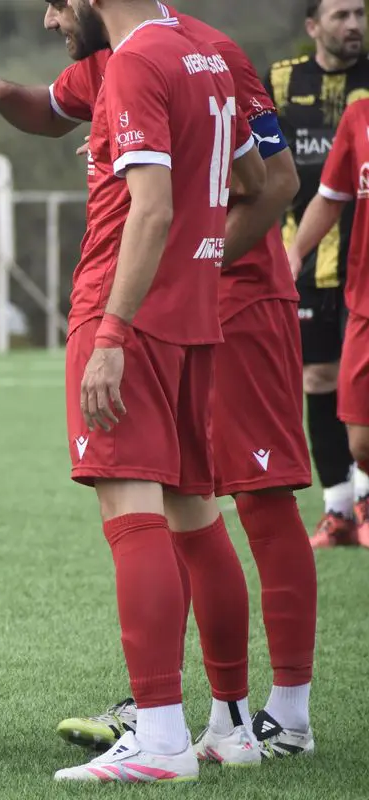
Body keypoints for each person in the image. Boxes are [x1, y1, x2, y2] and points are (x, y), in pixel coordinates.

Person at [0, 0, 319, 765]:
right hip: (182, 313)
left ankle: (181, 730)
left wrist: (126, 318)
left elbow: (219, 194)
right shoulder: (174, 56)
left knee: (166, 512)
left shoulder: (162, 57)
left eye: (55, 2)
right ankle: (229, 723)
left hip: (147, 307)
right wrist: (5, 93)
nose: (49, 19)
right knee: (193, 514)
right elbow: (221, 167)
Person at [267, 0, 369, 546]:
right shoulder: (282, 80)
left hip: (360, 259)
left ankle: (366, 499)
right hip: (306, 259)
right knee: (319, 379)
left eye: (359, 14)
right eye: (340, 15)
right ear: (313, 26)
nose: (353, 25)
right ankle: (339, 508)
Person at [288, 97, 369, 547]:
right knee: (360, 441)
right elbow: (330, 196)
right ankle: (344, 506)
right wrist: (296, 252)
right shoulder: (358, 117)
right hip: (363, 301)